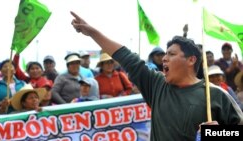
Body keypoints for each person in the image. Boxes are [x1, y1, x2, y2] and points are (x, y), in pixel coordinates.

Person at [70, 11, 243, 141]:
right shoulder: (157, 85)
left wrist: (218, 132)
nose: (165, 58)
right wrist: (93, 33)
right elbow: (127, 57)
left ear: (191, 60)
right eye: (165, 54)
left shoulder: (215, 95)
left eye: (172, 54)